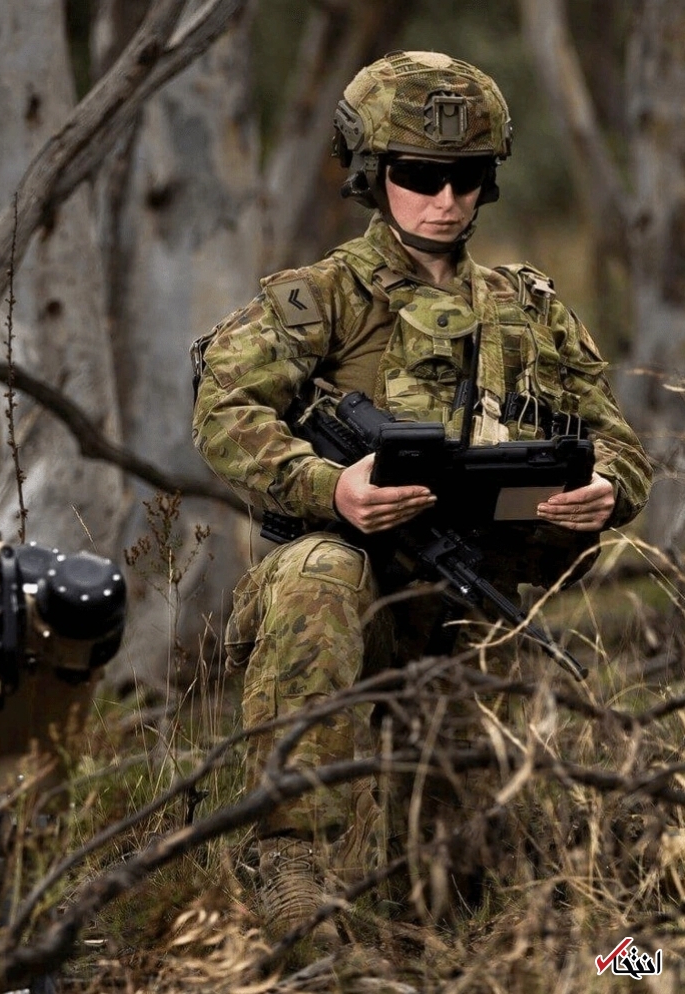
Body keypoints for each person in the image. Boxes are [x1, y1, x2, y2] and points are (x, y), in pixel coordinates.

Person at [190, 51, 652, 948]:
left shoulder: (531, 310)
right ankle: (290, 861)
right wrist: (330, 487)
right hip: (339, 590)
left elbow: (617, 436)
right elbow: (224, 412)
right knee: (318, 570)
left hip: (469, 592)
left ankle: (564, 945)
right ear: (371, 174)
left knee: (459, 889)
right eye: (419, 175)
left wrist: (606, 488)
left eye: (467, 177)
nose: (445, 199)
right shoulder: (317, 301)